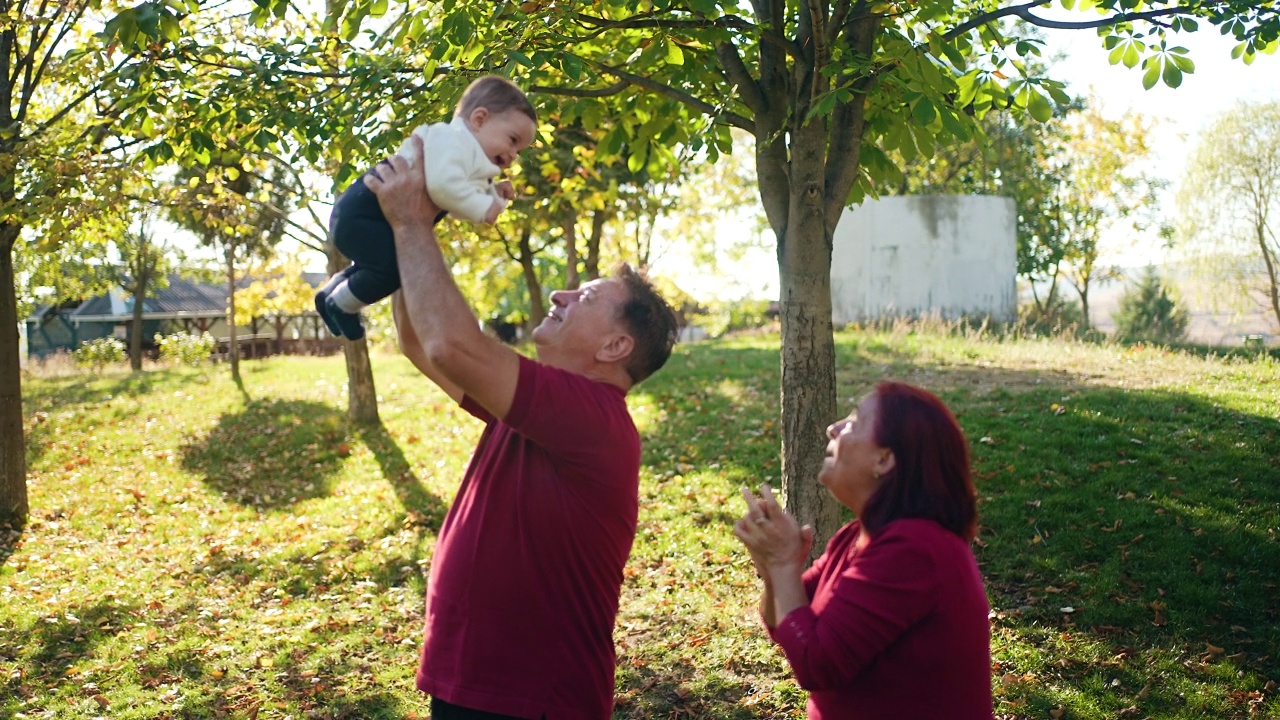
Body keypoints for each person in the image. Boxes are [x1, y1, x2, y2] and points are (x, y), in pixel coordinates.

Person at [363, 134, 680, 720]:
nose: (560, 293)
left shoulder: (590, 418)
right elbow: (422, 346)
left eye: (584, 296)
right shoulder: (542, 408)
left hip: (532, 698)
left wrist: (412, 224)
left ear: (615, 346)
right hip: (474, 683)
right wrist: (407, 231)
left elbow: (451, 345)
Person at [734, 381, 994, 720]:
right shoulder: (856, 537)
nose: (833, 428)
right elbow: (784, 625)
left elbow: (817, 665)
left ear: (883, 459)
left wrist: (784, 564)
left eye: (854, 422)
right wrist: (772, 571)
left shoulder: (914, 551)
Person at [315, 75, 538, 340]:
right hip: (362, 214)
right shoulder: (451, 142)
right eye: (513, 140)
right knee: (392, 270)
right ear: (479, 119)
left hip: (366, 216)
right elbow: (445, 188)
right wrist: (484, 207)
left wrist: (493, 195)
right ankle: (341, 305)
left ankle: (331, 293)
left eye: (520, 150)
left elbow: (453, 194)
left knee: (385, 262)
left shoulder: (464, 156)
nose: (514, 154)